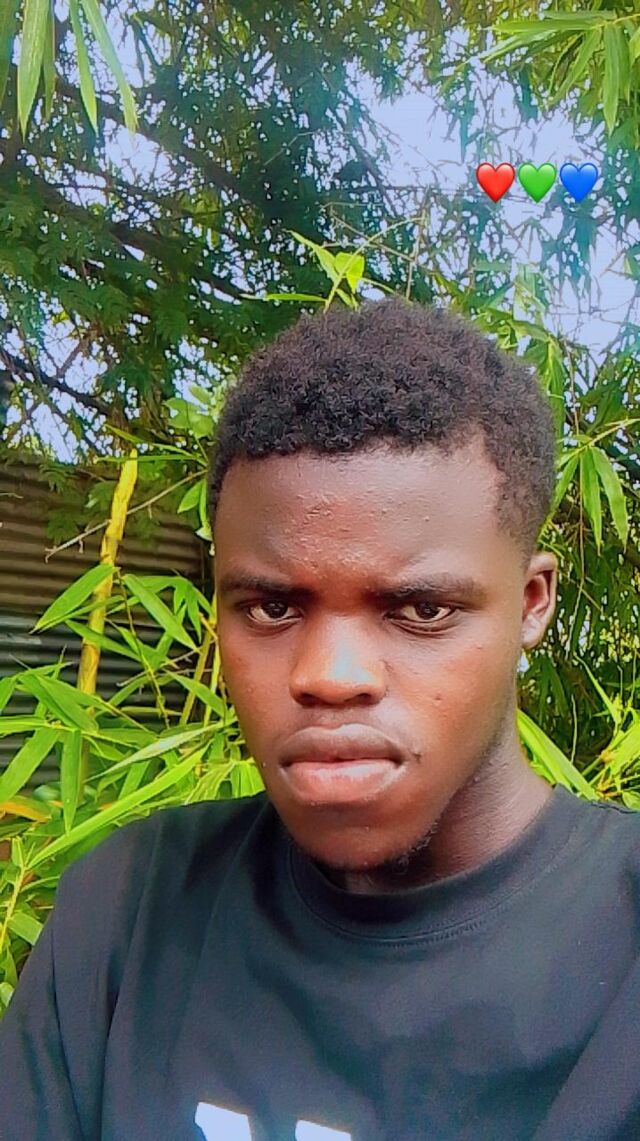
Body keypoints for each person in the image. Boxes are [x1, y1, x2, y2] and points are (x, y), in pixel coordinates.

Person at [0, 298, 639, 1141]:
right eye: (271, 607)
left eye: (420, 609)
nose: (329, 677)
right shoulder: (131, 910)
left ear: (530, 603)